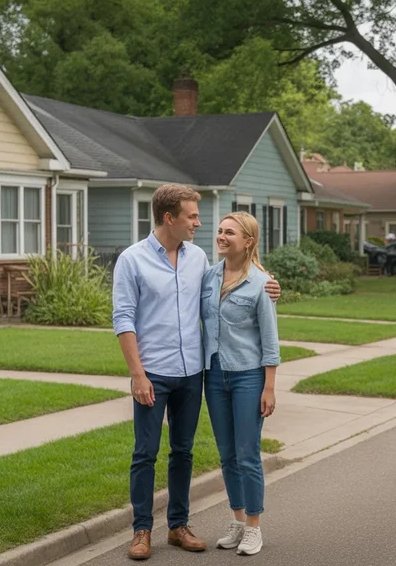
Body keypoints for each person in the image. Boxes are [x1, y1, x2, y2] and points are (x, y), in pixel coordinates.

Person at [112, 185, 279, 561]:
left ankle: (178, 525)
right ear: (169, 218)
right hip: (152, 372)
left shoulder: (198, 258)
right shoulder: (132, 260)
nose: (199, 224)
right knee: (145, 453)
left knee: (183, 452)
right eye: (192, 216)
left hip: (192, 374)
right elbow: (123, 318)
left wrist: (268, 284)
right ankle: (141, 531)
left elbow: (236, 279)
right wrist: (137, 374)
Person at [201, 212, 280, 556]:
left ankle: (253, 527)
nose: (221, 236)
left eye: (229, 232)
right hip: (214, 375)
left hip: (249, 376)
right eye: (219, 231)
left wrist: (269, 386)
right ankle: (235, 522)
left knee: (248, 454)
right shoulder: (208, 277)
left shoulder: (261, 283)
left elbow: (270, 340)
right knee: (227, 455)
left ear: (247, 241)